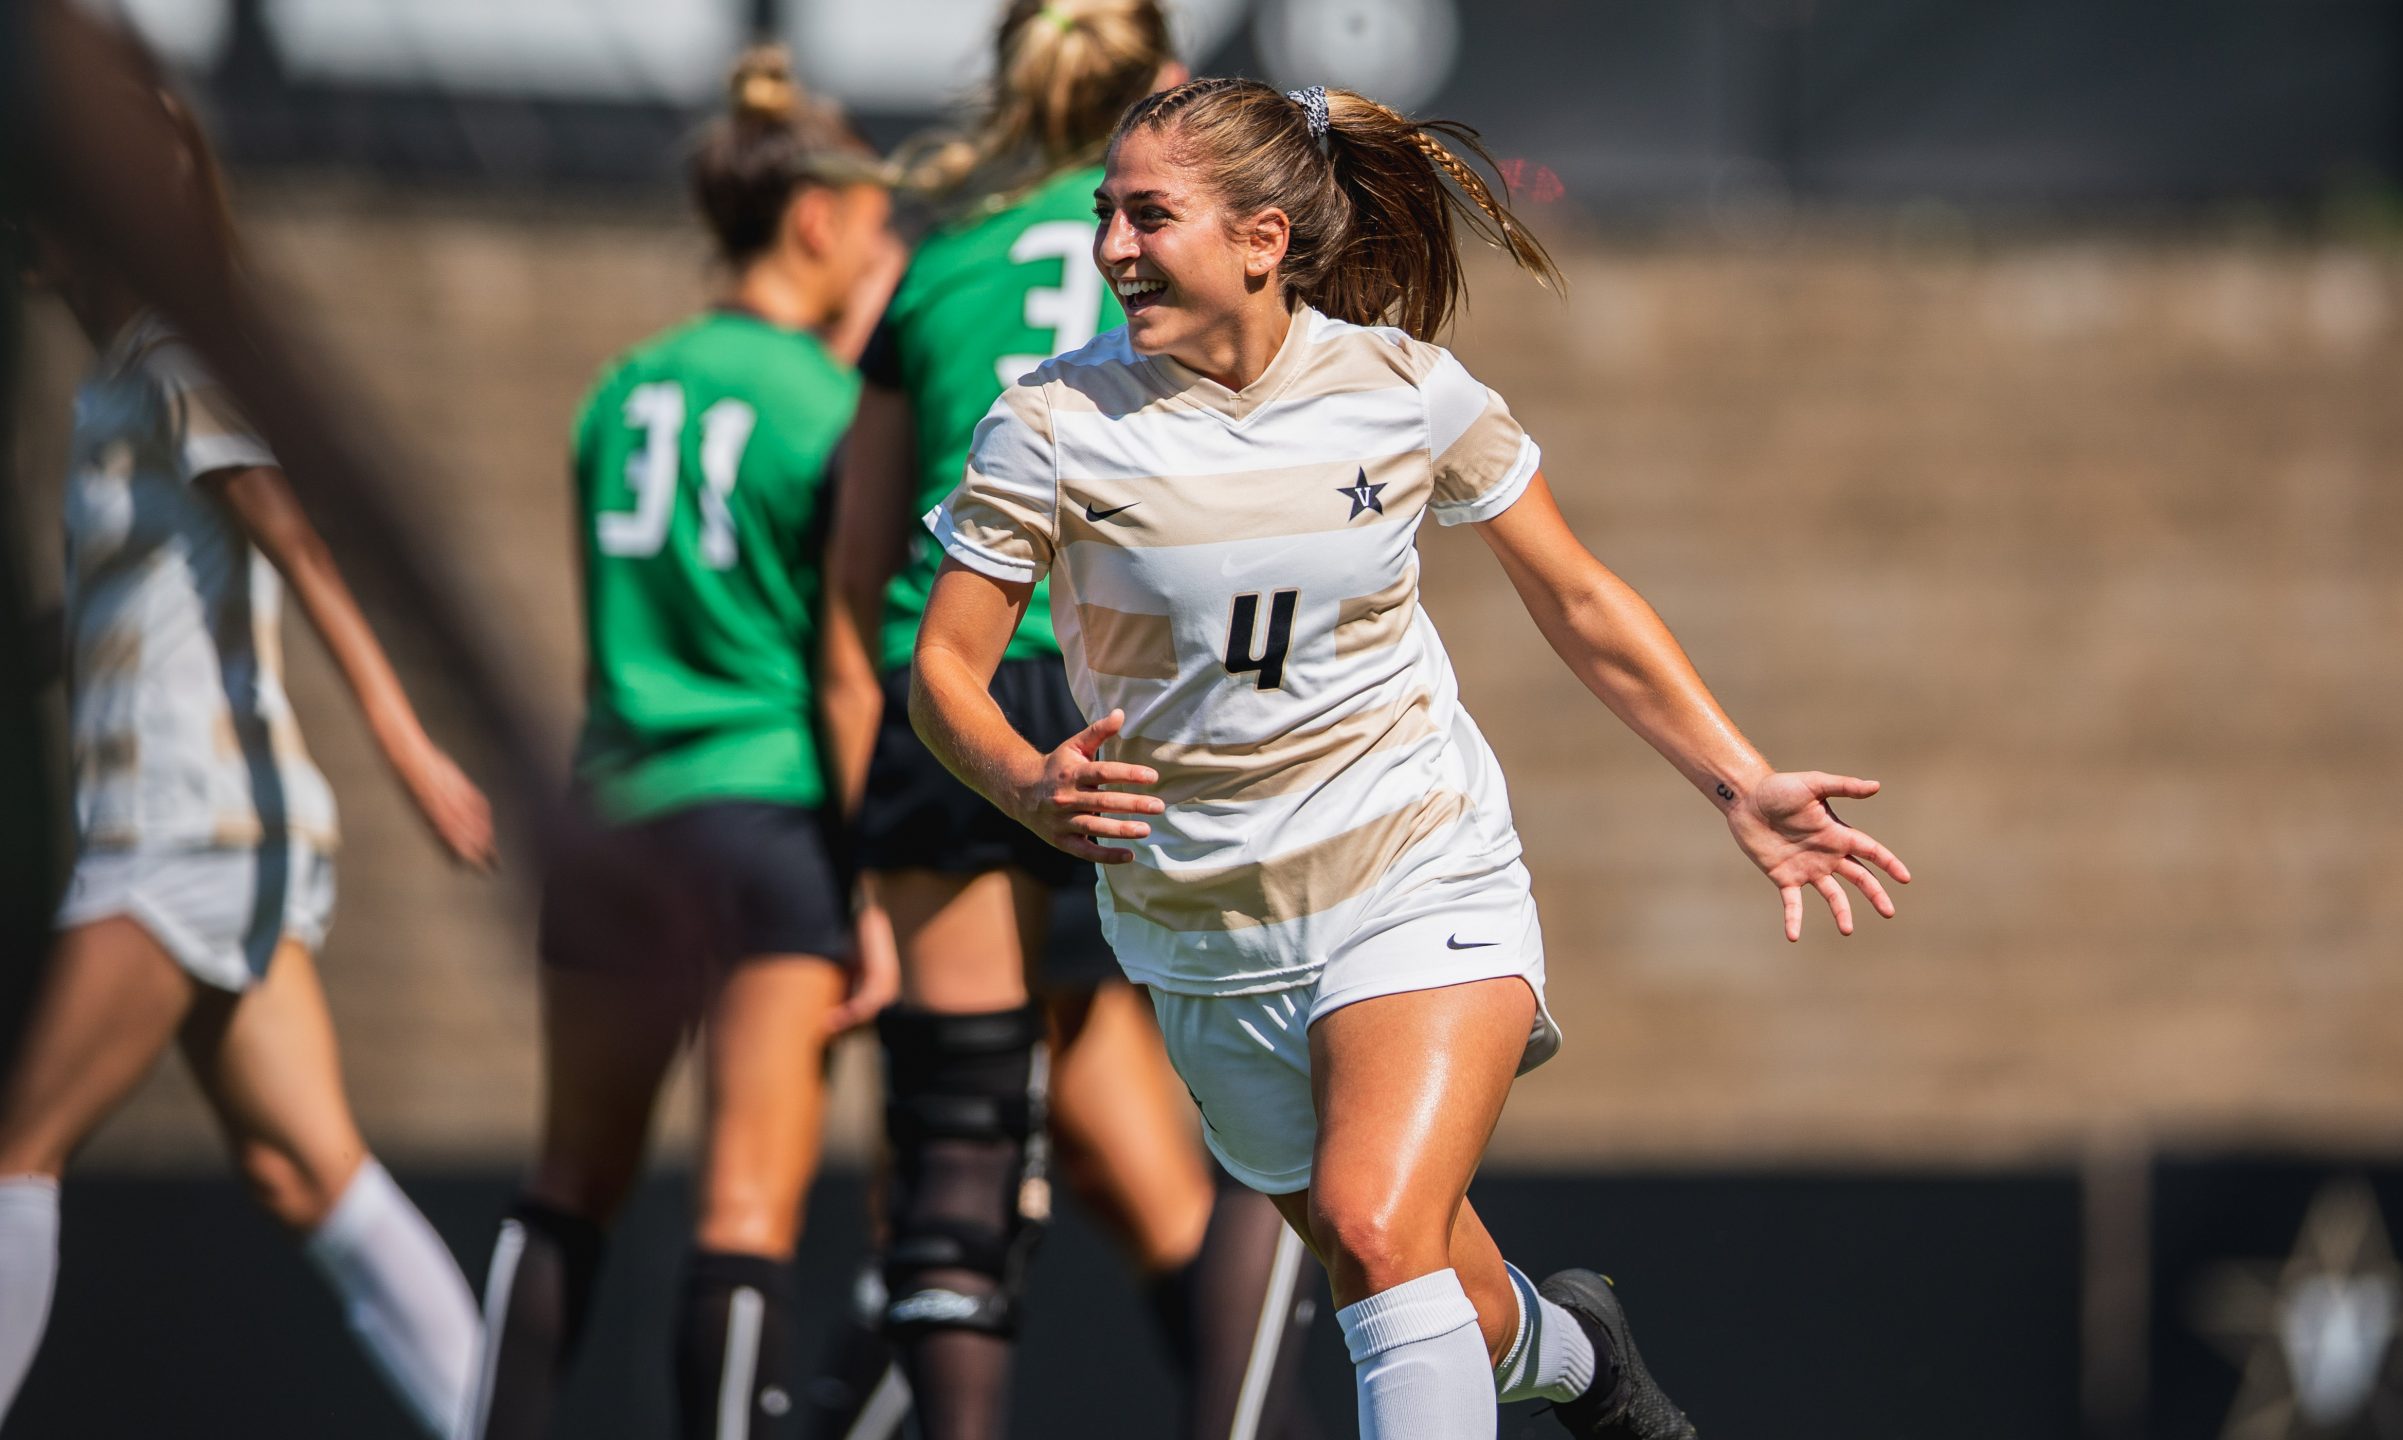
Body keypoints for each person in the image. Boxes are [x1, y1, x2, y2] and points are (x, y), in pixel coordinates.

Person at [909, 77, 1914, 1439]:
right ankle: (1580, 1358)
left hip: (1415, 874)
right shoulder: (1049, 422)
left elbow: (1579, 599)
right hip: (1202, 934)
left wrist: (1743, 785)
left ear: (1263, 240)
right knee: (1415, 1276)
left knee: (1377, 1228)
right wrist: (1022, 780)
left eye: (1148, 215)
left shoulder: (1405, 391)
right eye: (1107, 215)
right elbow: (944, 673)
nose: (1112, 248)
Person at [820, 5, 1324, 1438]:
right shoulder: (1205, 249)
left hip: (963, 700)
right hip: (1145, 697)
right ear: (1161, 82)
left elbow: (858, 575)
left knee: (958, 1145)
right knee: (1266, 1110)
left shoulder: (936, 267)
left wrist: (859, 848)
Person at [0, 79, 492, 1438]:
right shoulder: (114, 381)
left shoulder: (173, 356)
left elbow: (298, 542)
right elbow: (111, 613)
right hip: (202, 833)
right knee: (307, 1174)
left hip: (187, 829)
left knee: (17, 1150)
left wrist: (407, 746)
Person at [461, 46, 899, 1440]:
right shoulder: (829, 405)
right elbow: (842, 668)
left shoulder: (621, 390)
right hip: (769, 816)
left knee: (566, 1185)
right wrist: (873, 890)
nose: (883, 257)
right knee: (745, 1211)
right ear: (816, 220)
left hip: (617, 812)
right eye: (875, 225)